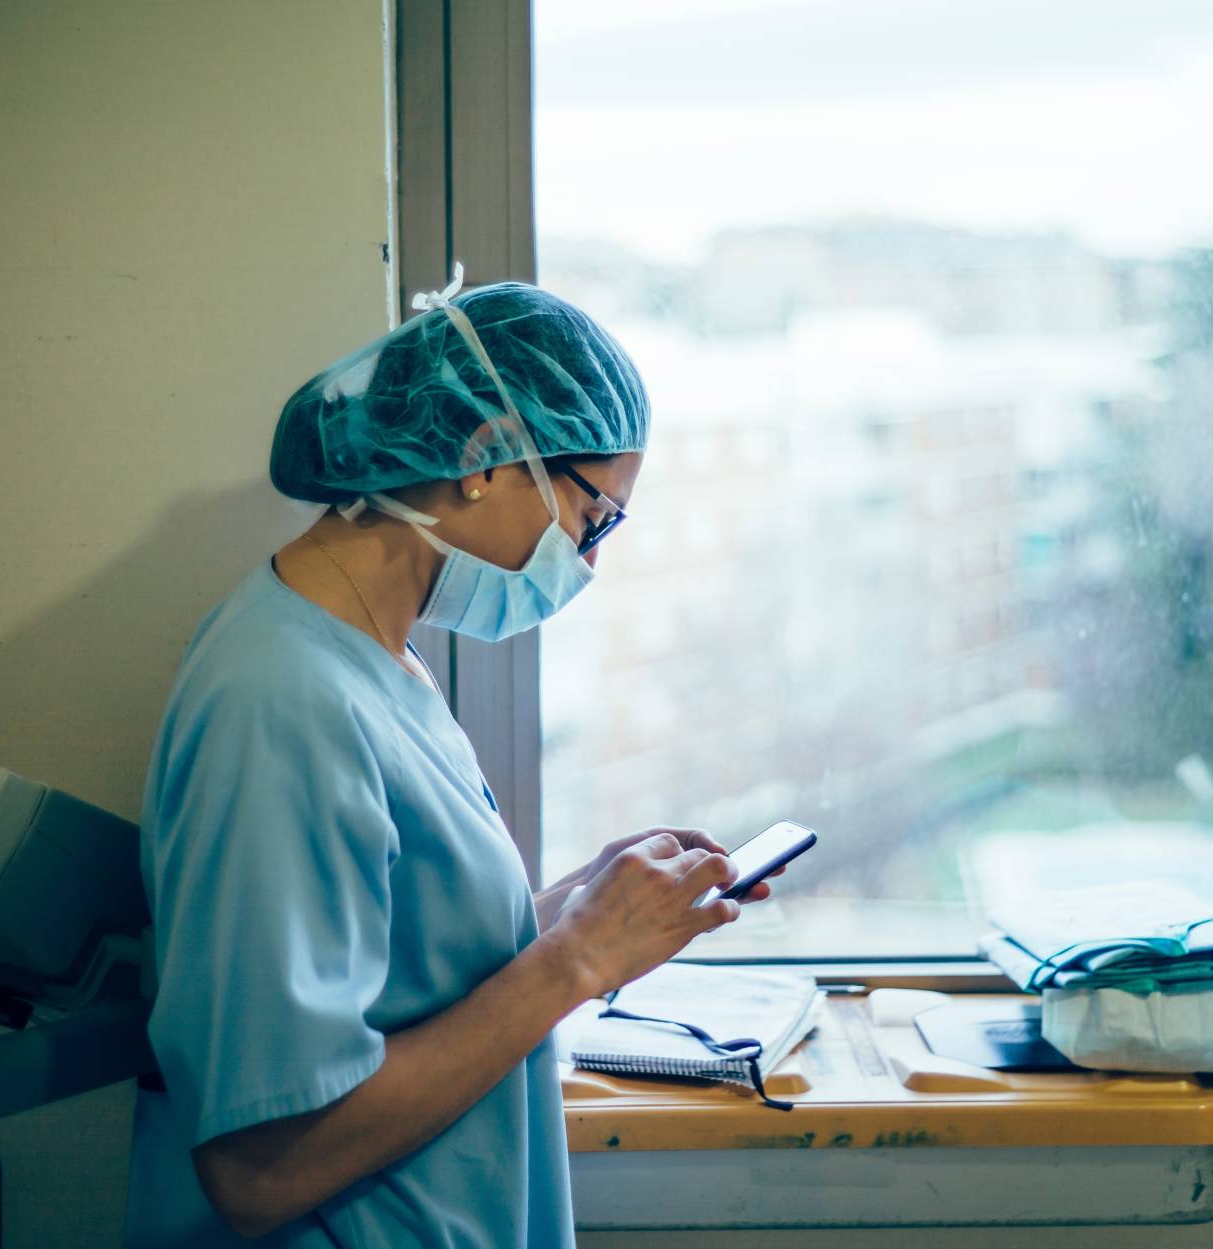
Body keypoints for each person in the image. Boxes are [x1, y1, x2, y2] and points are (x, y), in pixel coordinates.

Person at [124, 269, 773, 1247]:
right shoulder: (279, 698)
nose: (590, 562)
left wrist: (585, 905)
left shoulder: (374, 658)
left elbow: (406, 971)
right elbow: (260, 1169)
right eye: (594, 517)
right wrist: (578, 958)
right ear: (484, 456)